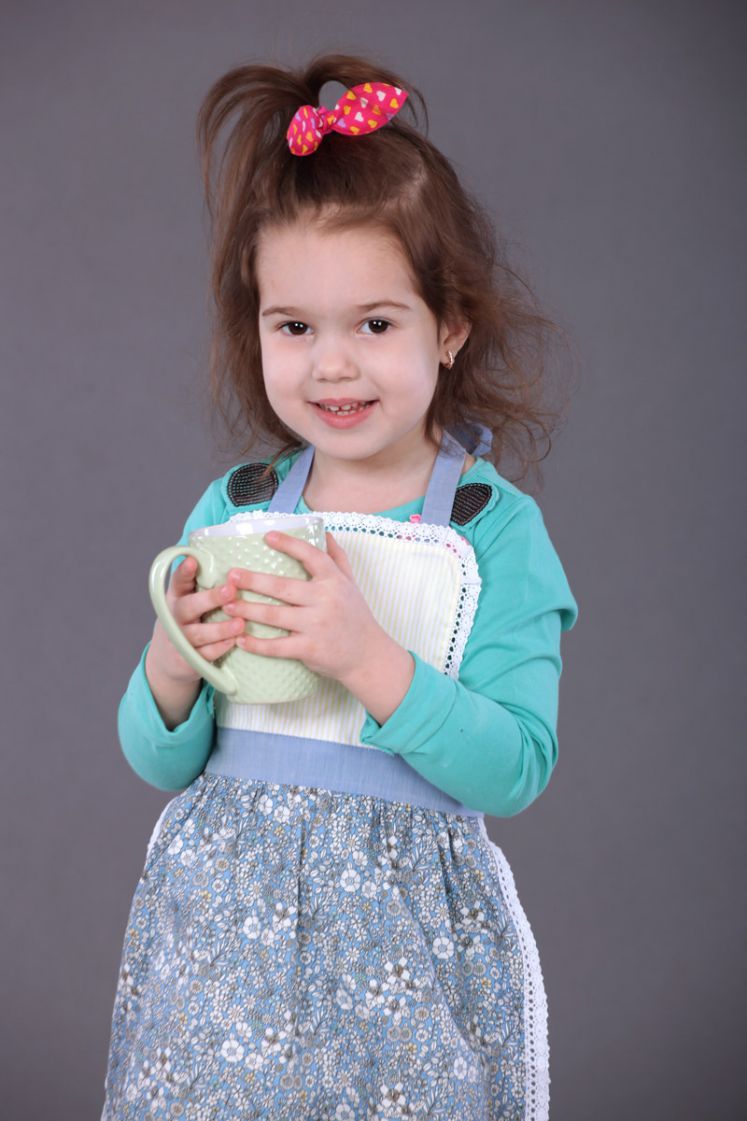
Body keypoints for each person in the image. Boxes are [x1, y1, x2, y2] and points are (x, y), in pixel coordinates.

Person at [101, 52, 579, 1121]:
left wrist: (369, 659)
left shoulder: (487, 530)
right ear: (256, 327)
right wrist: (172, 662)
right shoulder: (236, 508)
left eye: (375, 323)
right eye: (294, 326)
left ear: (448, 325)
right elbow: (158, 758)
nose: (331, 364)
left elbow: (515, 767)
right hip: (222, 952)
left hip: (404, 961)